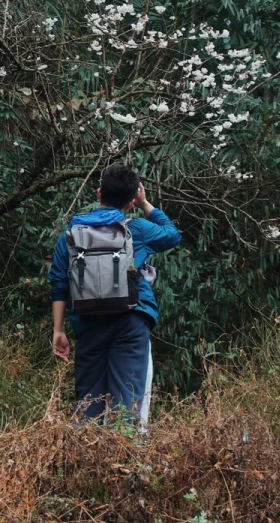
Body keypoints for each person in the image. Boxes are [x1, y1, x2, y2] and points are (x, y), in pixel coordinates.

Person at [49, 164, 181, 424]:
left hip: (89, 320)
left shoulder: (71, 235)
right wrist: (145, 204)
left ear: (99, 194)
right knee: (126, 398)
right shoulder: (138, 229)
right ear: (131, 202)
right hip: (131, 319)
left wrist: (58, 330)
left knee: (88, 401)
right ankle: (123, 458)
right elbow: (173, 235)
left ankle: (85, 458)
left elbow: (59, 283)